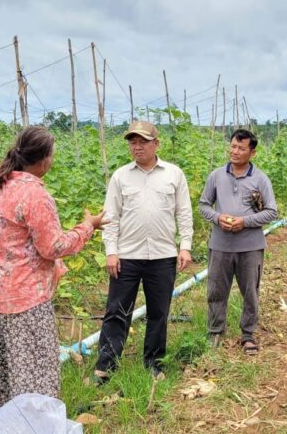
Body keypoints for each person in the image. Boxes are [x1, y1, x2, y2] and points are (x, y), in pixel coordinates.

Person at [0, 126, 106, 423]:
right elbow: (53, 247)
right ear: (43, 160)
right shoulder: (34, 194)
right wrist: (87, 227)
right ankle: (33, 428)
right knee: (33, 377)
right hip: (23, 302)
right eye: (52, 157)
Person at [94, 120, 193, 382]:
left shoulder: (173, 174)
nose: (137, 147)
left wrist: (185, 246)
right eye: (132, 142)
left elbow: (183, 212)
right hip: (127, 256)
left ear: (156, 144)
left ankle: (154, 363)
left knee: (159, 312)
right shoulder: (121, 176)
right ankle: (106, 365)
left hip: (162, 256)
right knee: (116, 310)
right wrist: (111, 251)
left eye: (143, 142)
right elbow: (110, 217)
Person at [199, 129, 278, 355]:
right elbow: (204, 205)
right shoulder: (216, 176)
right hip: (220, 244)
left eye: (241, 148)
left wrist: (244, 222)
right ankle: (215, 331)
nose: (235, 151)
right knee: (216, 289)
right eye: (233, 146)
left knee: (250, 291)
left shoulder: (260, 179)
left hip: (250, 246)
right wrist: (217, 217)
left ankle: (248, 334)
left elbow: (271, 211)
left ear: (252, 152)